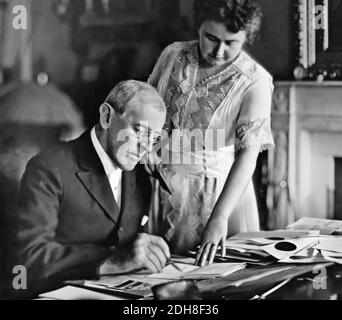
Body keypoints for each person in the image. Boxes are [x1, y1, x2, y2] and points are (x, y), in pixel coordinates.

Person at [8, 80, 170, 297]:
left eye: (154, 138)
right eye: (139, 131)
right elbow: (30, 256)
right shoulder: (49, 167)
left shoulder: (140, 174)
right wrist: (114, 260)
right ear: (106, 116)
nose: (146, 147)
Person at [148, 0, 275, 266]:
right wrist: (150, 147)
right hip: (161, 184)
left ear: (247, 38)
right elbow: (150, 110)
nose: (219, 50)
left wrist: (219, 218)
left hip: (217, 192)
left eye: (231, 43)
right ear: (199, 26)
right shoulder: (173, 55)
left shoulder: (255, 81)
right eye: (211, 38)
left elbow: (247, 157)